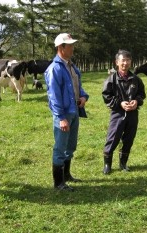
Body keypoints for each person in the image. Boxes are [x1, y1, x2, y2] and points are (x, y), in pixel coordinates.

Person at [44, 33, 89, 191]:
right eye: (69, 45)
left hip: (74, 111)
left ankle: (66, 175)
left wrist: (83, 96)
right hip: (63, 114)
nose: (72, 48)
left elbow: (77, 86)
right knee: (60, 147)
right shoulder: (55, 69)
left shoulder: (71, 66)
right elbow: (54, 96)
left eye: (72, 44)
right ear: (60, 48)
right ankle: (58, 183)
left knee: (70, 145)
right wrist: (61, 118)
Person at [102, 49, 146, 174]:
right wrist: (119, 103)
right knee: (113, 138)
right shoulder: (111, 79)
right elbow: (106, 96)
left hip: (133, 114)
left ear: (131, 62)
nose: (125, 63)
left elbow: (141, 94)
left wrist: (136, 101)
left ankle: (123, 163)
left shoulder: (136, 79)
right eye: (123, 60)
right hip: (118, 114)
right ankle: (107, 165)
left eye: (127, 60)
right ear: (117, 62)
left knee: (129, 138)